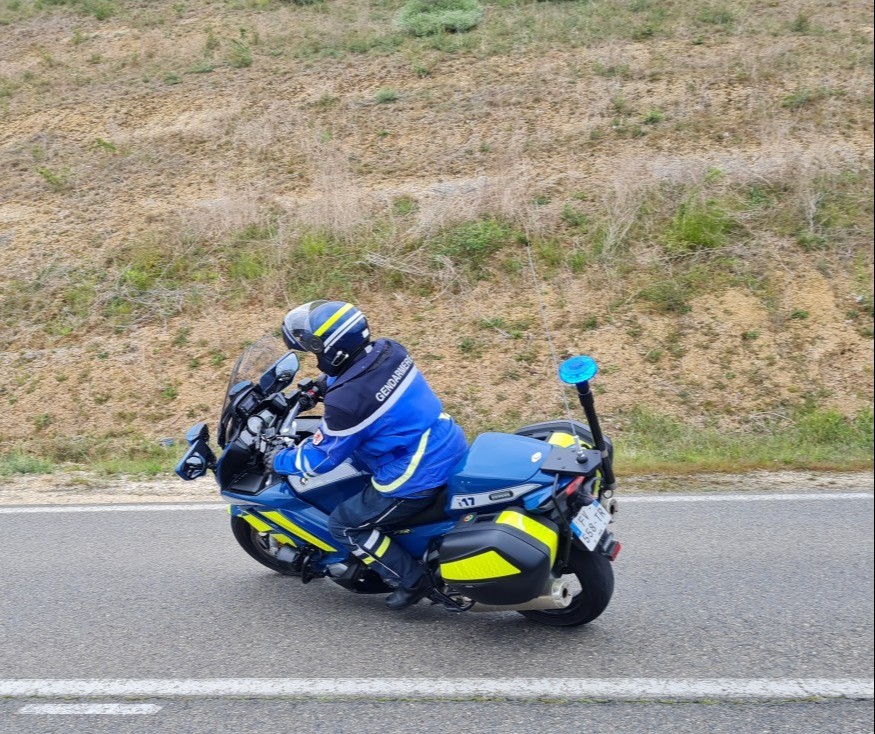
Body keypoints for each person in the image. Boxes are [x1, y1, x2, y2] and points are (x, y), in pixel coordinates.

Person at [267, 300, 468, 610]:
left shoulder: (346, 404)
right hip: (443, 439)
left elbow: (320, 460)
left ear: (333, 351)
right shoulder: (390, 350)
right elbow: (361, 376)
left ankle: (412, 579)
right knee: (357, 464)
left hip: (414, 472)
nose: (316, 358)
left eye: (316, 352)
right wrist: (319, 388)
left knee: (344, 524)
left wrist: (279, 459)